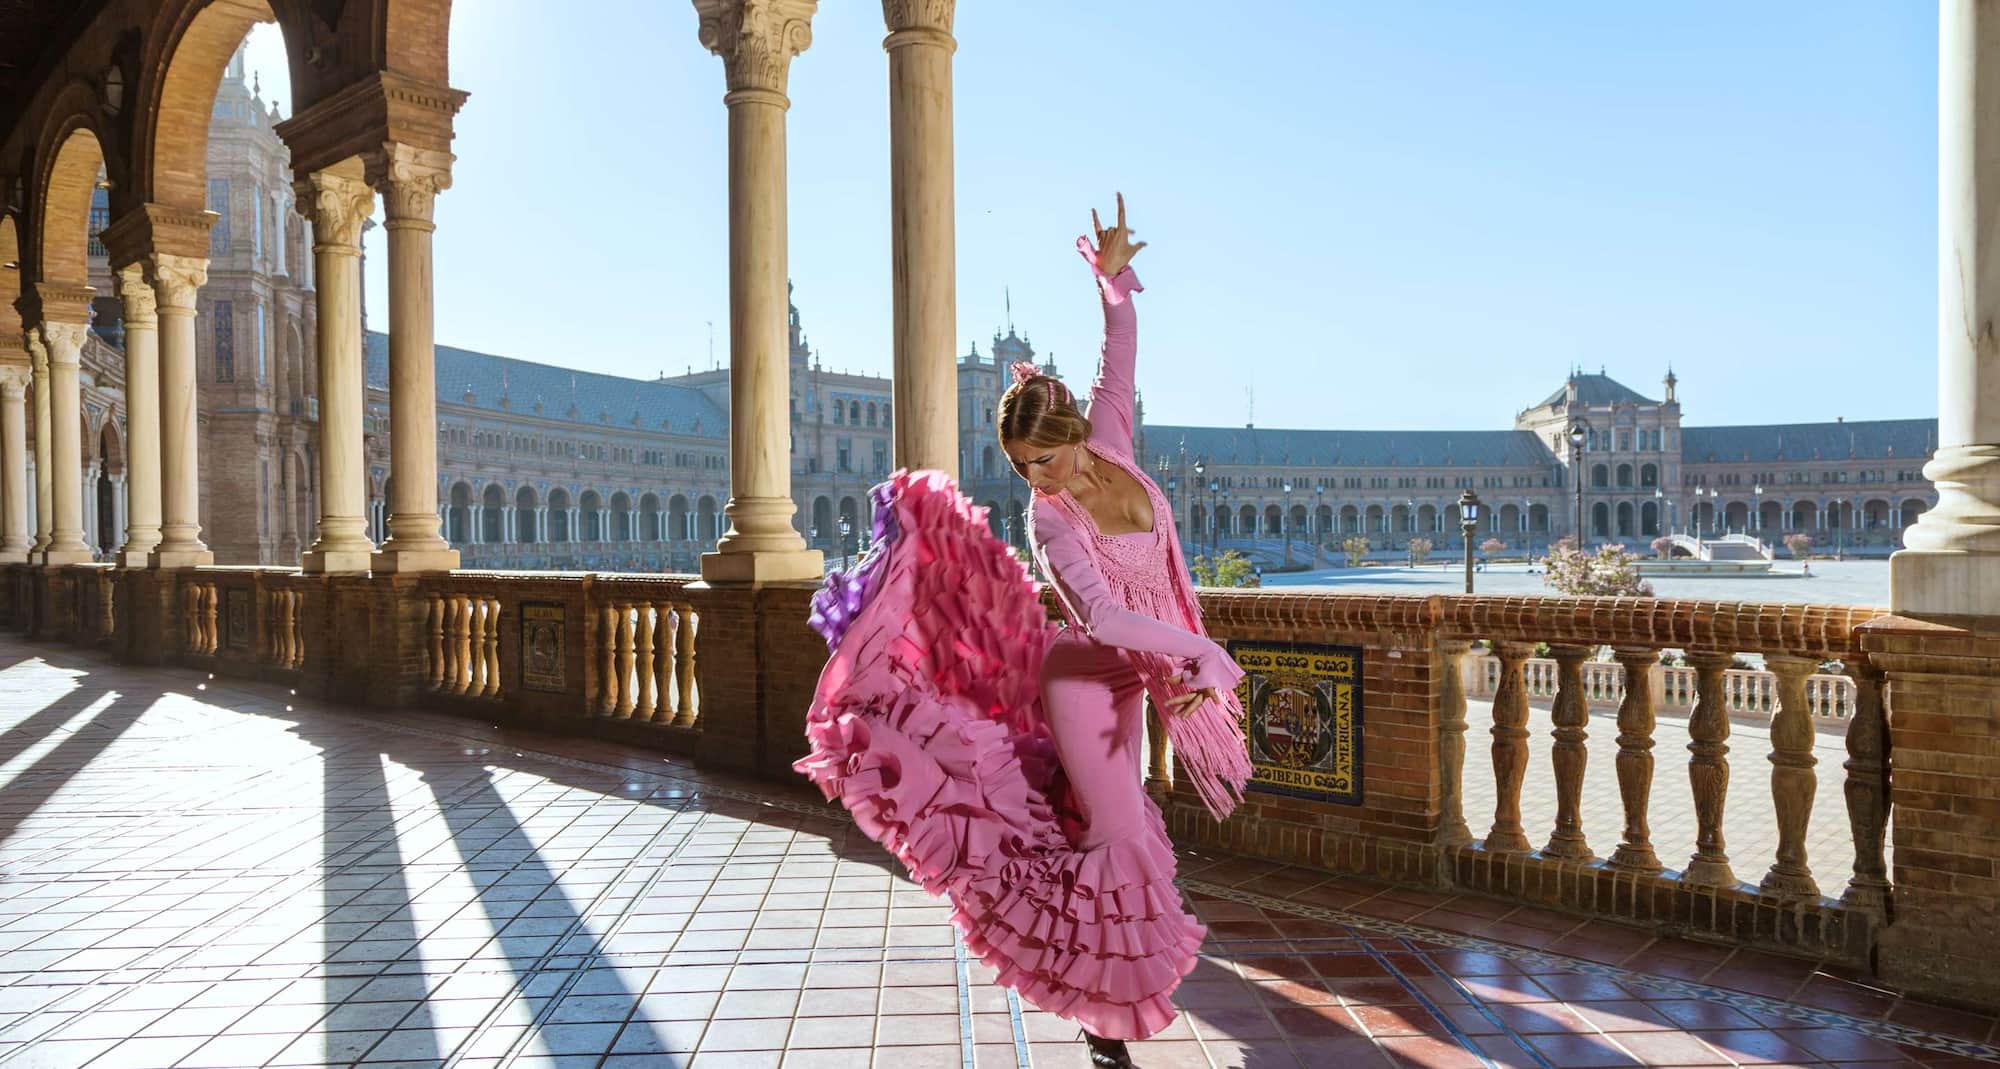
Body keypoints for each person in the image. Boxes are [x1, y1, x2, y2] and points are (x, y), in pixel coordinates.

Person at [796, 195, 1250, 1069]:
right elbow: (1106, 618)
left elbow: (1118, 360)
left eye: (1046, 458)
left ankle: (1097, 1004)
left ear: (1077, 434)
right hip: (1085, 682)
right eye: (1022, 468)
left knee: (1114, 833)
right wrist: (1197, 648)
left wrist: (1112, 281)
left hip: (1142, 679)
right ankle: (1103, 1020)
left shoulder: (1112, 444)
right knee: (1118, 837)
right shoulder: (1050, 523)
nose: (1038, 478)